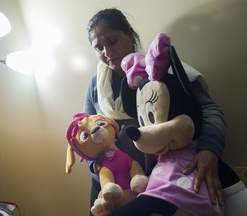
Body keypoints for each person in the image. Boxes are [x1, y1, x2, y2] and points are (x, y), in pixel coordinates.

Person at [84, 8, 237, 215]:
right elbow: (86, 137)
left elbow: (209, 110)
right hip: (112, 188)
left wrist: (209, 149)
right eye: (99, 47)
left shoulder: (160, 69)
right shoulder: (97, 88)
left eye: (112, 41)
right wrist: (99, 169)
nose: (107, 52)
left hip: (164, 178)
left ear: (129, 33)